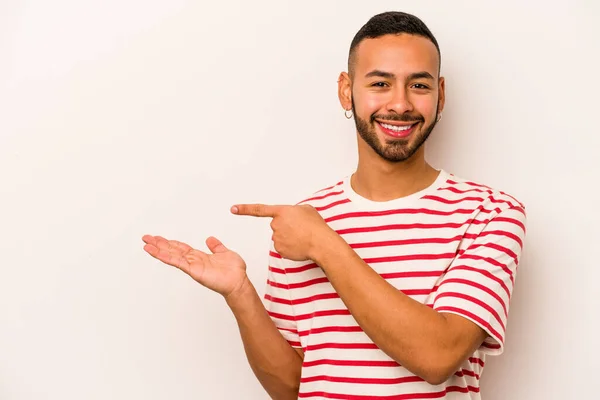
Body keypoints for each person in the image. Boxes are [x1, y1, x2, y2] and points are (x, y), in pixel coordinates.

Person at [142, 11, 526, 400]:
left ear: (440, 94)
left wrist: (323, 245)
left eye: (419, 85)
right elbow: (292, 387)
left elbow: (436, 356)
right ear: (347, 90)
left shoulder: (490, 213)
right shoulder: (300, 222)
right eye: (380, 83)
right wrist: (240, 294)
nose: (400, 104)